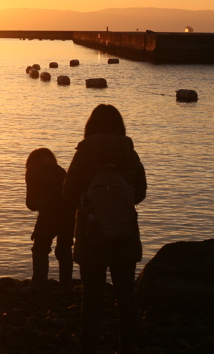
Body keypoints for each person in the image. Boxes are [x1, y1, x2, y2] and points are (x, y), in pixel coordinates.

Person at [64, 104, 147, 354]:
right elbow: (140, 193)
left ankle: (89, 345)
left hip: (92, 235)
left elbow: (68, 194)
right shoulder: (130, 154)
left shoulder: (83, 154)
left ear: (90, 126)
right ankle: (128, 345)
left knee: (92, 295)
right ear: (120, 127)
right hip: (125, 233)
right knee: (125, 293)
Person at [24, 147, 73, 293]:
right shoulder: (61, 170)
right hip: (69, 215)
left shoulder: (33, 172)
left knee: (40, 249)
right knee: (64, 250)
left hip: (48, 215)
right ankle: (67, 286)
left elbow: (31, 204)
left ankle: (39, 284)